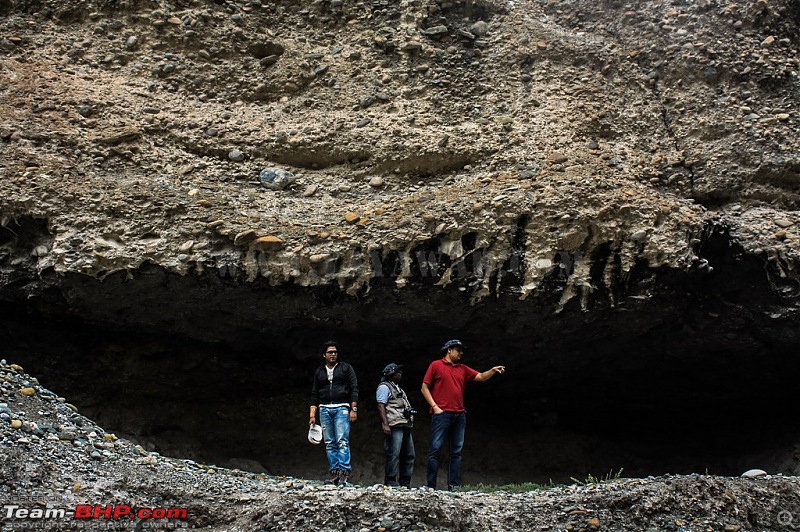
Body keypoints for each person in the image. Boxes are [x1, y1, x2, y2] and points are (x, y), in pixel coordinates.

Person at [421, 339, 505, 490]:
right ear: (449, 350)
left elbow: (480, 377)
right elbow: (424, 387)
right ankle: (431, 487)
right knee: (436, 449)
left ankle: (454, 486)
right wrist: (435, 407)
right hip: (442, 414)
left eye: (461, 350)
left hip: (459, 415)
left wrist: (492, 370)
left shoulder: (463, 368)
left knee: (456, 452)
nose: (461, 353)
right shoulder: (436, 365)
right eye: (458, 350)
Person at [309, 341, 359, 486]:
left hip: (342, 407)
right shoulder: (319, 372)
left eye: (335, 352)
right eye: (330, 352)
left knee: (342, 440)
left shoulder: (346, 368)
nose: (333, 354)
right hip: (324, 408)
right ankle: (335, 473)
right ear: (324, 355)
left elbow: (354, 388)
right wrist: (312, 415)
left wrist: (353, 409)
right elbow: (314, 393)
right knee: (330, 442)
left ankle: (344, 473)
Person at [376, 363, 416, 488]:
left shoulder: (399, 388)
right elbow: (381, 405)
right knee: (394, 453)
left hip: (405, 424)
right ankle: (390, 480)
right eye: (398, 372)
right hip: (394, 425)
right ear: (392, 374)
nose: (400, 374)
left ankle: (405, 482)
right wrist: (385, 424)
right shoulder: (384, 387)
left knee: (409, 454)